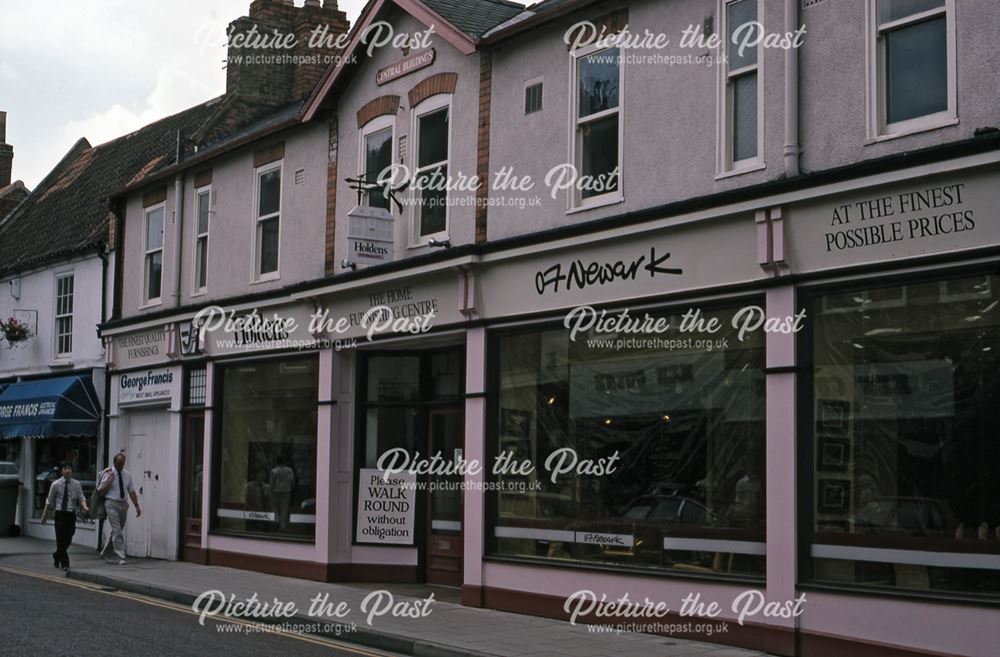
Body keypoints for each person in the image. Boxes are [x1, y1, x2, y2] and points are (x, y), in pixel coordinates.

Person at [40, 461, 89, 570]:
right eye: (65, 468)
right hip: (60, 514)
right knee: (60, 539)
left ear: (72, 471)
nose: (67, 470)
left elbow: (81, 497)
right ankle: (65, 563)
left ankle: (57, 555)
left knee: (68, 539)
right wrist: (44, 515)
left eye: (69, 469)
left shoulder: (76, 484)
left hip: (71, 514)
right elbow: (49, 500)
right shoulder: (56, 484)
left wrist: (85, 507)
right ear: (62, 471)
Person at [97, 452, 141, 565]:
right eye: (119, 463)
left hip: (123, 505)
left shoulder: (127, 474)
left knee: (117, 530)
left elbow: (131, 491)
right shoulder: (108, 473)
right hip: (111, 503)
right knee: (117, 530)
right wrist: (110, 481)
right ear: (114, 462)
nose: (121, 466)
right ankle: (121, 555)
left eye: (123, 463)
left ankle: (105, 553)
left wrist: (137, 506)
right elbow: (100, 491)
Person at [269, 455, 295, 531]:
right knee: (284, 508)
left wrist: (270, 491)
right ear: (285, 462)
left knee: (275, 508)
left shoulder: (274, 471)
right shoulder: (289, 470)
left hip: (275, 491)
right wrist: (291, 488)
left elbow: (271, 483)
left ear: (277, 462)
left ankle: (276, 522)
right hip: (286, 491)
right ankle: (282, 525)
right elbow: (292, 481)